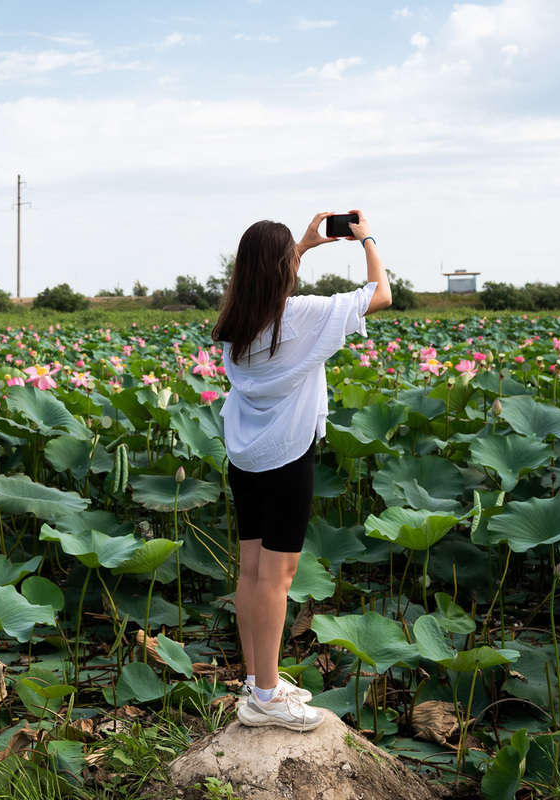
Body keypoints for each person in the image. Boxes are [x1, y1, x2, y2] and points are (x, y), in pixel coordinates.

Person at [212, 210, 392, 731]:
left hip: (245, 457)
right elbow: (379, 294)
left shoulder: (235, 327)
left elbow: (266, 281)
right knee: (278, 577)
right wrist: (366, 240)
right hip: (288, 456)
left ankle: (255, 681)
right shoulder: (304, 315)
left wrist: (305, 245)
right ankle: (268, 697)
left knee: (250, 572)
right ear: (282, 270)